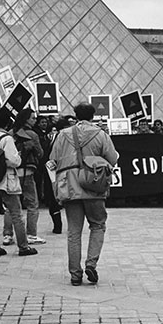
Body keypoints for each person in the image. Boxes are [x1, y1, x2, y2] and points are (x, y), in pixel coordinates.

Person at [49, 102, 119, 286]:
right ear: (93, 116)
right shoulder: (100, 134)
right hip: (93, 184)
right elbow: (113, 159)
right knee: (97, 225)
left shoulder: (62, 134)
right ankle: (91, 263)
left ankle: (75, 274)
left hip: (69, 186)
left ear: (75, 115)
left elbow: (52, 161)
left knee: (74, 231)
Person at [0, 108, 37, 258]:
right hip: (6, 180)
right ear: (7, 122)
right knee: (16, 214)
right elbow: (14, 161)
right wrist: (18, 157)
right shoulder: (7, 139)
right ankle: (23, 246)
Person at [2, 109, 44, 246]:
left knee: (11, 206)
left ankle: (7, 235)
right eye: (32, 118)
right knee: (32, 204)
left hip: (12, 173)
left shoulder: (10, 133)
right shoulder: (32, 134)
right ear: (26, 119)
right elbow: (40, 153)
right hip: (27, 174)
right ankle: (31, 234)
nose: (35, 120)